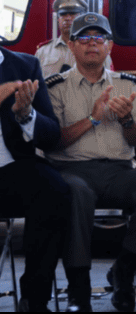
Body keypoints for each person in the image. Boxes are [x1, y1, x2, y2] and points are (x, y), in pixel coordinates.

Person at [46, 12, 136, 313]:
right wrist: (93, 118)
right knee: (77, 193)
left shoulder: (127, 85)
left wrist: (127, 118)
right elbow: (52, 141)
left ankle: (124, 272)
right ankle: (79, 290)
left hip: (119, 171)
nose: (93, 44)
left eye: (99, 38)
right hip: (71, 170)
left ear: (110, 46)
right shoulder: (55, 87)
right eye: (85, 38)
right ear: (72, 46)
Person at [0, 48, 70, 312]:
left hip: (10, 168)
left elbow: (51, 136)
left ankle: (34, 299)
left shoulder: (25, 65)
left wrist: (26, 115)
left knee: (54, 189)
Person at [35, 0, 113, 77]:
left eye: (72, 13)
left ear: (81, 18)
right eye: (63, 14)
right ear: (58, 19)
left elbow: (107, 82)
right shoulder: (42, 52)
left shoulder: (96, 50)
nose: (68, 18)